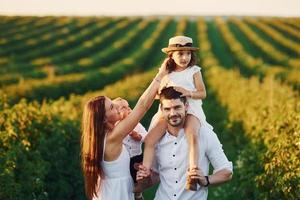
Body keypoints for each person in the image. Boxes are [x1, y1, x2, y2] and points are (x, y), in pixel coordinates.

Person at [80, 62, 167, 200]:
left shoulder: (96, 139)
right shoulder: (112, 137)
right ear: (104, 119)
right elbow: (142, 106)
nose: (117, 107)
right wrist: (161, 75)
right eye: (112, 108)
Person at [138, 35, 212, 191]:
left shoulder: (194, 71)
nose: (185, 57)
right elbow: (158, 93)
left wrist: (188, 92)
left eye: (188, 53)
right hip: (170, 110)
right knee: (150, 139)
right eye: (180, 54)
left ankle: (192, 172)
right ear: (171, 55)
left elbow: (202, 93)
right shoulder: (166, 73)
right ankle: (145, 172)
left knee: (192, 134)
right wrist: (165, 93)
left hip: (190, 109)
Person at [136, 86, 233, 200]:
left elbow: (226, 172)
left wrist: (206, 180)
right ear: (162, 110)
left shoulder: (204, 134)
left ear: (186, 107)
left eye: (177, 107)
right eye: (167, 109)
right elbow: (157, 176)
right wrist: (143, 180)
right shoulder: (156, 139)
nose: (173, 113)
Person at [112, 97, 148, 200]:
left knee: (139, 177)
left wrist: (139, 136)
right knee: (127, 179)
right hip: (124, 159)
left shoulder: (136, 124)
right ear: (115, 112)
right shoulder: (114, 126)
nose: (128, 109)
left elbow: (147, 136)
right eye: (123, 107)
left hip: (137, 157)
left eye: (128, 106)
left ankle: (138, 194)